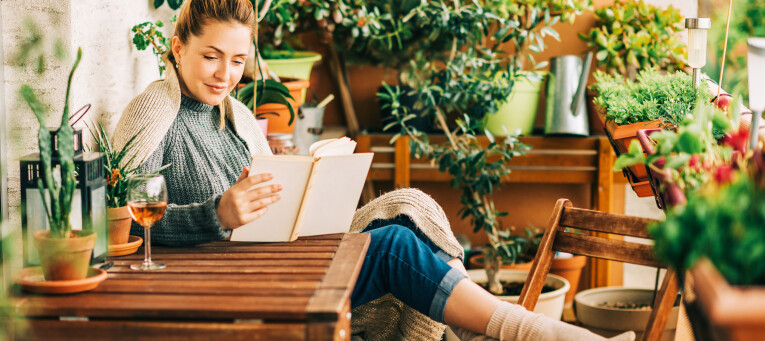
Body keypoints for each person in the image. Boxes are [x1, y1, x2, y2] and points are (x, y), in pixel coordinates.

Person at [112, 1, 635, 340]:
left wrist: (313, 182)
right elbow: (123, 225)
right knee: (393, 247)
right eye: (210, 57)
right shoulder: (153, 111)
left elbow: (272, 204)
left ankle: (506, 330)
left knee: (404, 218)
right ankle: (527, 332)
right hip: (235, 283)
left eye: (237, 60)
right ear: (178, 47)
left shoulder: (239, 119)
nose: (226, 74)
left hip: (276, 263)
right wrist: (216, 214)